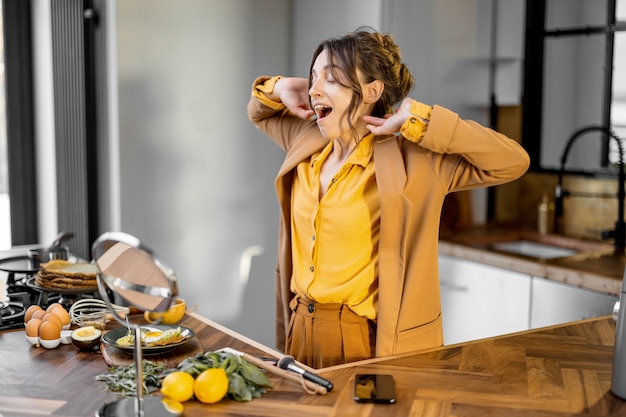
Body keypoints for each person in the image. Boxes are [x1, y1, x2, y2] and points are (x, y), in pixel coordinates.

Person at [247, 28, 530, 368]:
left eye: (332, 79)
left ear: (372, 90)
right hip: (299, 327)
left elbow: (512, 162)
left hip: (361, 339)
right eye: (313, 77)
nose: (315, 89)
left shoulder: (415, 158)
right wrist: (279, 86)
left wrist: (423, 120)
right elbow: (259, 113)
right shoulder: (306, 136)